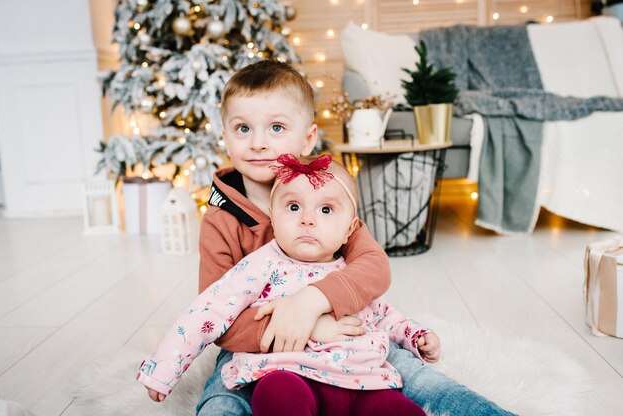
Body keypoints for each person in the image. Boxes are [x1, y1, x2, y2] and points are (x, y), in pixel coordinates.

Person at [191, 60, 515, 415]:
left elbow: (374, 267)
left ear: (308, 138)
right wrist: (310, 328)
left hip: (346, 339)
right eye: (242, 128)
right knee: (222, 399)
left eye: (277, 127)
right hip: (259, 350)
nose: (258, 143)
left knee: (421, 379)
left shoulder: (329, 197)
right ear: (224, 135)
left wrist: (313, 301)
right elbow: (214, 317)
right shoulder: (220, 220)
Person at [138, 154, 428, 416]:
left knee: (399, 410)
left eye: (326, 210)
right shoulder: (262, 265)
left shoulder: (349, 270)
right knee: (277, 396)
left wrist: (415, 334)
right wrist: (165, 367)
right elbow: (209, 308)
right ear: (273, 220)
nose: (308, 220)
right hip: (289, 375)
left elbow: (383, 313)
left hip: (362, 383)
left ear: (349, 230)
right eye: (293, 207)